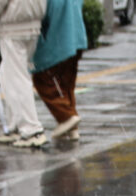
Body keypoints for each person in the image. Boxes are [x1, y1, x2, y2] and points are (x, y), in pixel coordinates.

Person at [0, 0, 49, 148]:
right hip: (32, 25)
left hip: (13, 29)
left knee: (17, 79)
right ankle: (15, 124)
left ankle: (31, 129)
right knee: (8, 76)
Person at [32, 0, 87, 141]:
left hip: (59, 42)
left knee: (42, 79)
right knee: (67, 85)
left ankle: (67, 117)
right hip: (77, 39)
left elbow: (42, 14)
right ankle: (72, 127)